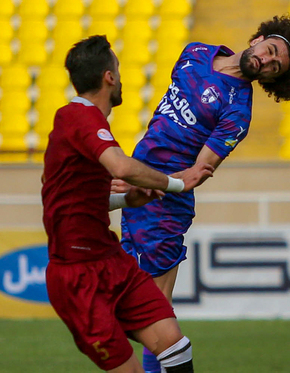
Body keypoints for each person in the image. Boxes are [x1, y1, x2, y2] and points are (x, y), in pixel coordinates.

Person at [114, 15, 290, 373]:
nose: (267, 62)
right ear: (257, 39)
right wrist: (135, 176)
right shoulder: (194, 52)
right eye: (270, 51)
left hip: (163, 203)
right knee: (139, 308)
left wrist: (148, 183)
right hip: (136, 188)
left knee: (151, 310)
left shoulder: (237, 111)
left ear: (273, 80)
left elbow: (196, 174)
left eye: (275, 68)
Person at [42, 35, 214, 372]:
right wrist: (179, 181)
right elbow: (122, 166)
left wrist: (126, 200)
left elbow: (75, 200)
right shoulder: (79, 118)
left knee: (174, 344)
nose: (120, 78)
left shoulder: (80, 125)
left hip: (111, 262)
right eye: (117, 71)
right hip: (77, 276)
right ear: (109, 77)